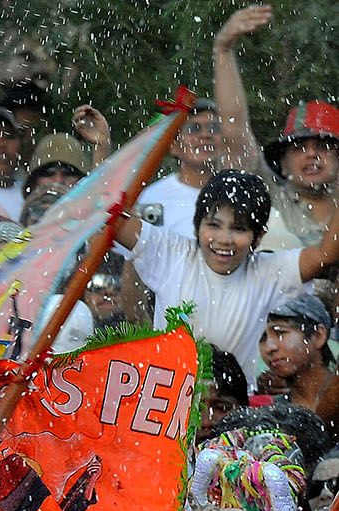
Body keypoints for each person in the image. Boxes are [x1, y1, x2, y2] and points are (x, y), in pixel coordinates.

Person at [111, 169, 339, 383]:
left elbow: (326, 255)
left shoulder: (268, 271)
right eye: (214, 225)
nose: (224, 239)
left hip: (231, 410)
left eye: (239, 229)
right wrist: (102, 146)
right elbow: (110, 215)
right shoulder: (172, 253)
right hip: (166, 403)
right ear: (196, 226)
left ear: (258, 237)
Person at [214, 5, 339, 251]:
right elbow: (233, 131)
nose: (311, 154)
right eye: (299, 147)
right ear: (282, 163)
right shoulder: (265, 196)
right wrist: (223, 50)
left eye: (323, 146)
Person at [135, 99, 225, 239]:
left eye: (214, 128)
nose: (205, 135)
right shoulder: (153, 198)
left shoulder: (235, 192)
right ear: (174, 146)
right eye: (193, 129)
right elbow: (137, 255)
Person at [257, 294, 336, 413]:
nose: (269, 348)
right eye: (262, 339)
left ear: (318, 335)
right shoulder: (274, 415)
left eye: (280, 333)